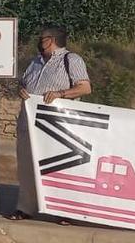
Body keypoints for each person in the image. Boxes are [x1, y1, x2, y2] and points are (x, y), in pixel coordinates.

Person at [9, 26, 92, 222]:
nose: (39, 41)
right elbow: (23, 83)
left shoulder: (71, 60)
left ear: (51, 40)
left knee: (60, 167)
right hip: (29, 123)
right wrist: (21, 89)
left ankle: (65, 211)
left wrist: (60, 94)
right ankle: (26, 207)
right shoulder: (35, 62)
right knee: (27, 165)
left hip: (57, 127)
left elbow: (85, 87)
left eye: (41, 38)